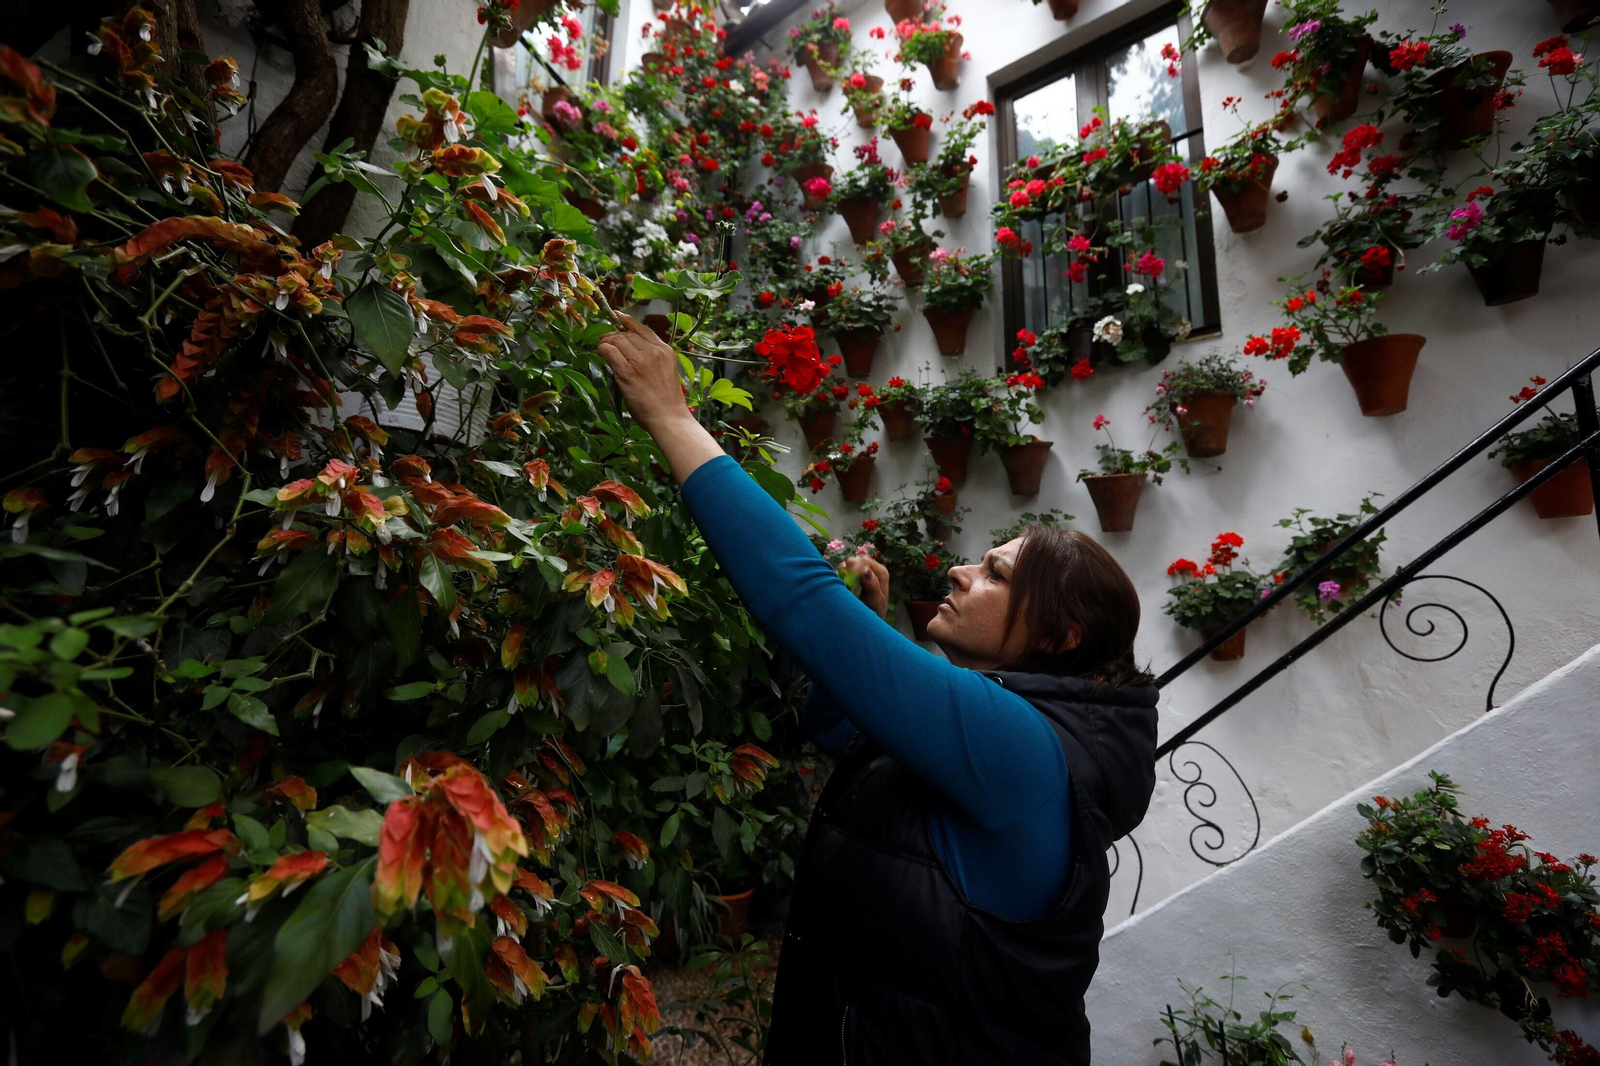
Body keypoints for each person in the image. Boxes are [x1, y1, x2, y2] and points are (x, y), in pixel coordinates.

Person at [597, 314, 1159, 1066]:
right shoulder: (1010, 735)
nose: (960, 571)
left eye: (995, 574)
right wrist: (872, 625)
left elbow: (804, 604)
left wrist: (672, 417)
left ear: (1060, 638)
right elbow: (844, 732)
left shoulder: (1026, 752)